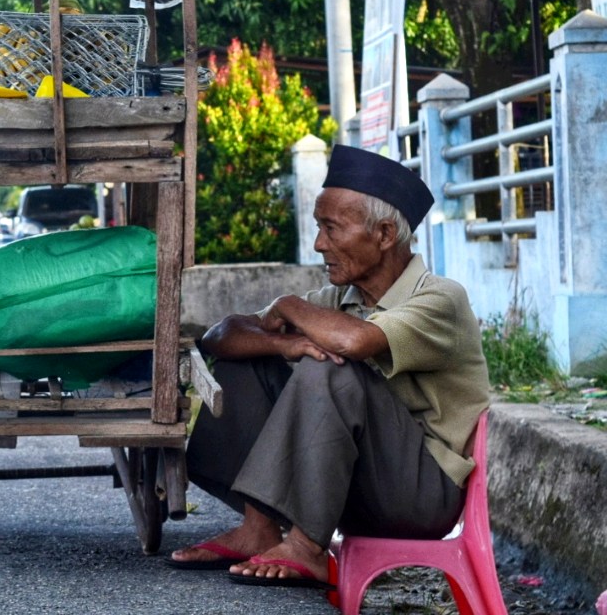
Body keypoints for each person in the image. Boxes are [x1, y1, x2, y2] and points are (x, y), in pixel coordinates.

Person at [167, 144, 490, 590]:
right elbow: (218, 337)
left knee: (332, 366)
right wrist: (281, 344)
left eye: (331, 229)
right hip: (346, 486)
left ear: (382, 234)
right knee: (256, 357)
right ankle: (257, 528)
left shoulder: (439, 298)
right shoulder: (339, 300)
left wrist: (287, 306)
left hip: (419, 496)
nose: (319, 244)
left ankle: (306, 546)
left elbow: (354, 342)